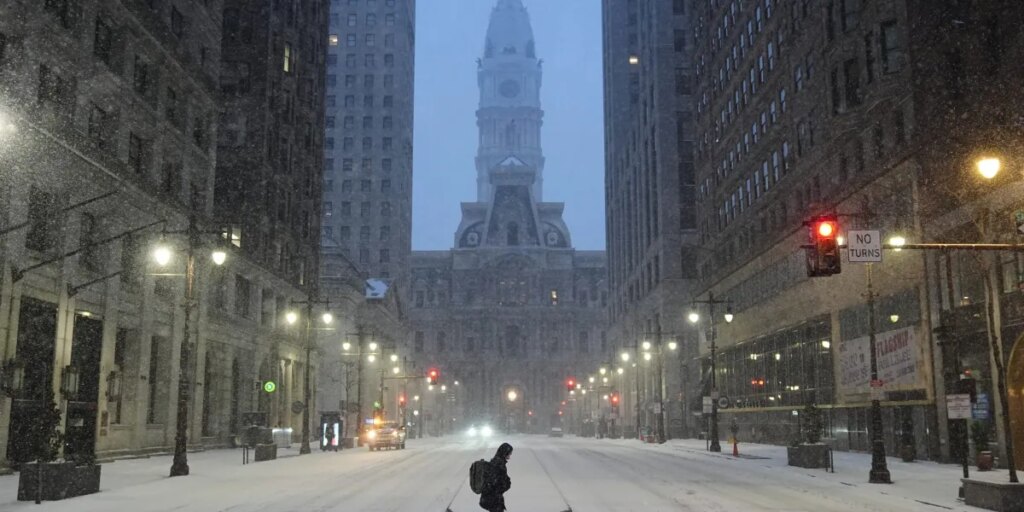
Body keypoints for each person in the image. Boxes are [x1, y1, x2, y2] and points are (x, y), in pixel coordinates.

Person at [479, 443, 513, 512]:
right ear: (505, 453)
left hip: (491, 499)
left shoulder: (494, 461)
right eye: (509, 453)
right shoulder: (499, 464)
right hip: (494, 500)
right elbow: (499, 483)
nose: (510, 455)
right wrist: (508, 482)